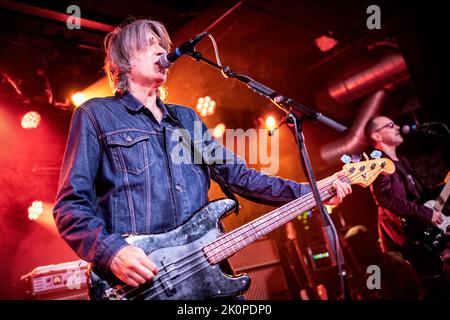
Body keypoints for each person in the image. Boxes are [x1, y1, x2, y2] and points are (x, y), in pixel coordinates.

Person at [53, 18, 351, 293]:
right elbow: (70, 207)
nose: (161, 52)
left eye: (163, 46)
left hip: (208, 276)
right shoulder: (96, 115)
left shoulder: (186, 119)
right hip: (142, 287)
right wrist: (112, 252)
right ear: (123, 61)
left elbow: (241, 177)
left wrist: (313, 190)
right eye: (149, 45)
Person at [364, 115, 449, 299]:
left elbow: (420, 196)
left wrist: (445, 187)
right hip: (410, 237)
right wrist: (425, 214)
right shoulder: (378, 165)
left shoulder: (402, 161)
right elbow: (385, 199)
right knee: (433, 291)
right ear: (377, 136)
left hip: (423, 231)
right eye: (391, 125)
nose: (398, 127)